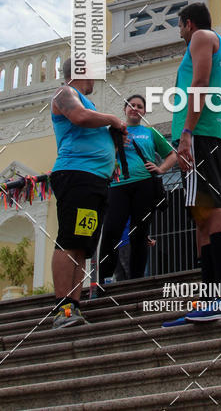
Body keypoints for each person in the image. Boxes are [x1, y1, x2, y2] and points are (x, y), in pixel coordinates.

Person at [171, 2, 221, 322]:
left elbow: (199, 84)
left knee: (210, 210)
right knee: (201, 215)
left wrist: (186, 131)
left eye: (180, 26)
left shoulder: (201, 38)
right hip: (212, 134)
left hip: (201, 134)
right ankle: (209, 295)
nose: (181, 32)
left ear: (188, 23)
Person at [49, 58, 126, 329]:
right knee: (70, 240)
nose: (96, 79)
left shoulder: (87, 103)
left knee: (83, 244)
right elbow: (79, 117)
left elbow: (88, 122)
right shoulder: (65, 93)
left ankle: (73, 306)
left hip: (95, 181)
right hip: (76, 175)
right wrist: (112, 119)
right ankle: (62, 308)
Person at [98, 94, 177, 284]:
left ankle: (137, 281)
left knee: (139, 232)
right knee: (111, 231)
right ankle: (104, 279)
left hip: (144, 186)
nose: (135, 108)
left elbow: (172, 155)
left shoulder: (150, 133)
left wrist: (161, 169)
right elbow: (100, 156)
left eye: (139, 106)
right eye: (131, 105)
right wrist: (116, 149)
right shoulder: (113, 132)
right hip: (118, 186)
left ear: (144, 111)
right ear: (125, 109)